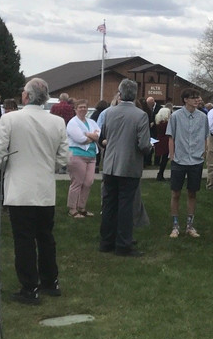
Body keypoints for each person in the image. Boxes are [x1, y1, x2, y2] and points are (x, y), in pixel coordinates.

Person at [0, 78, 69, 303]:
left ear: (26, 96)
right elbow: (63, 157)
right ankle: (50, 281)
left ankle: (30, 287)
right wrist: (50, 166)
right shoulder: (57, 122)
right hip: (45, 189)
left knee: (24, 240)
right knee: (46, 237)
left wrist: (8, 167)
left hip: (20, 190)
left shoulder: (9, 119)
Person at [98, 78, 152, 256]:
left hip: (110, 164)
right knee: (126, 206)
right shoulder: (140, 115)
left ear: (120, 94)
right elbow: (144, 144)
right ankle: (123, 244)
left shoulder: (109, 112)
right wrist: (150, 149)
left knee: (109, 204)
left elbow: (105, 136)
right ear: (135, 95)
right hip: (128, 164)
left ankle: (106, 241)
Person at [166, 88, 209, 238]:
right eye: (193, 97)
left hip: (196, 160)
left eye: (198, 97)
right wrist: (172, 156)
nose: (197, 100)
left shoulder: (203, 117)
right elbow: (170, 137)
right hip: (179, 159)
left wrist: (204, 152)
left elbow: (205, 137)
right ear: (185, 99)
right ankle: (175, 225)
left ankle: (190, 225)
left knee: (192, 193)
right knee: (175, 193)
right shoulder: (176, 116)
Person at [65, 99, 99, 219]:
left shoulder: (91, 122)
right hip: (77, 155)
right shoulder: (72, 123)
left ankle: (82, 207)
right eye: (80, 107)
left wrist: (87, 134)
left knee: (88, 182)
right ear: (75, 109)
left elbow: (98, 134)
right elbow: (80, 139)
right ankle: (72, 209)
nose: (83, 109)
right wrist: (90, 136)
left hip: (91, 156)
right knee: (77, 182)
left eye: (85, 107)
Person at [153, 106, 171, 181]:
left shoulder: (157, 123)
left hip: (159, 140)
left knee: (162, 158)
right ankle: (160, 174)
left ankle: (160, 173)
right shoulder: (166, 124)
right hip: (166, 141)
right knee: (165, 159)